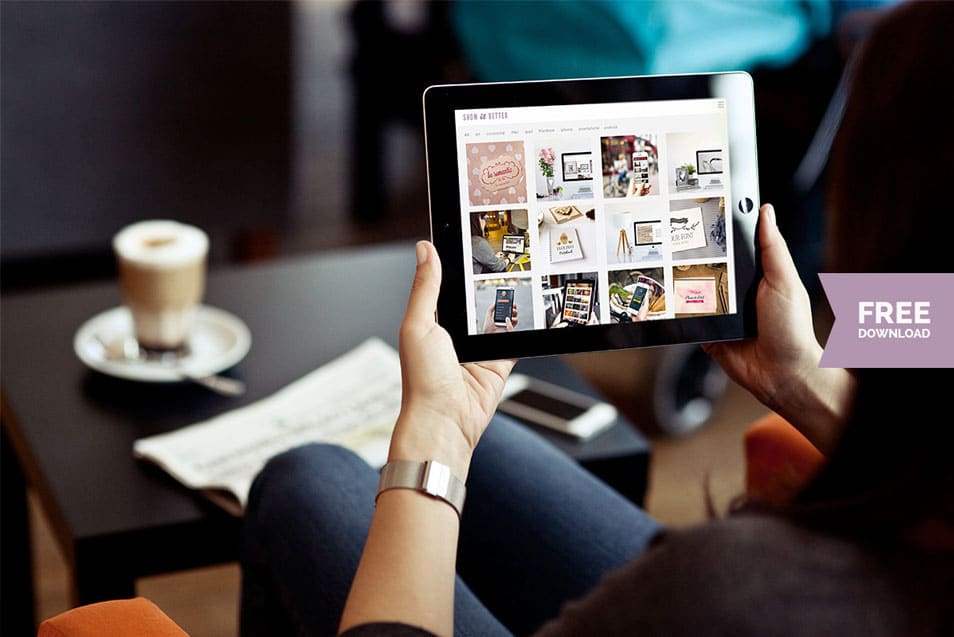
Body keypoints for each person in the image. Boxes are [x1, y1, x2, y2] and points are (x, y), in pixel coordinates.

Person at [241, 3, 954, 635]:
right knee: (492, 453)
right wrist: (800, 378)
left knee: (305, 481)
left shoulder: (734, 582)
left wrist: (438, 429)